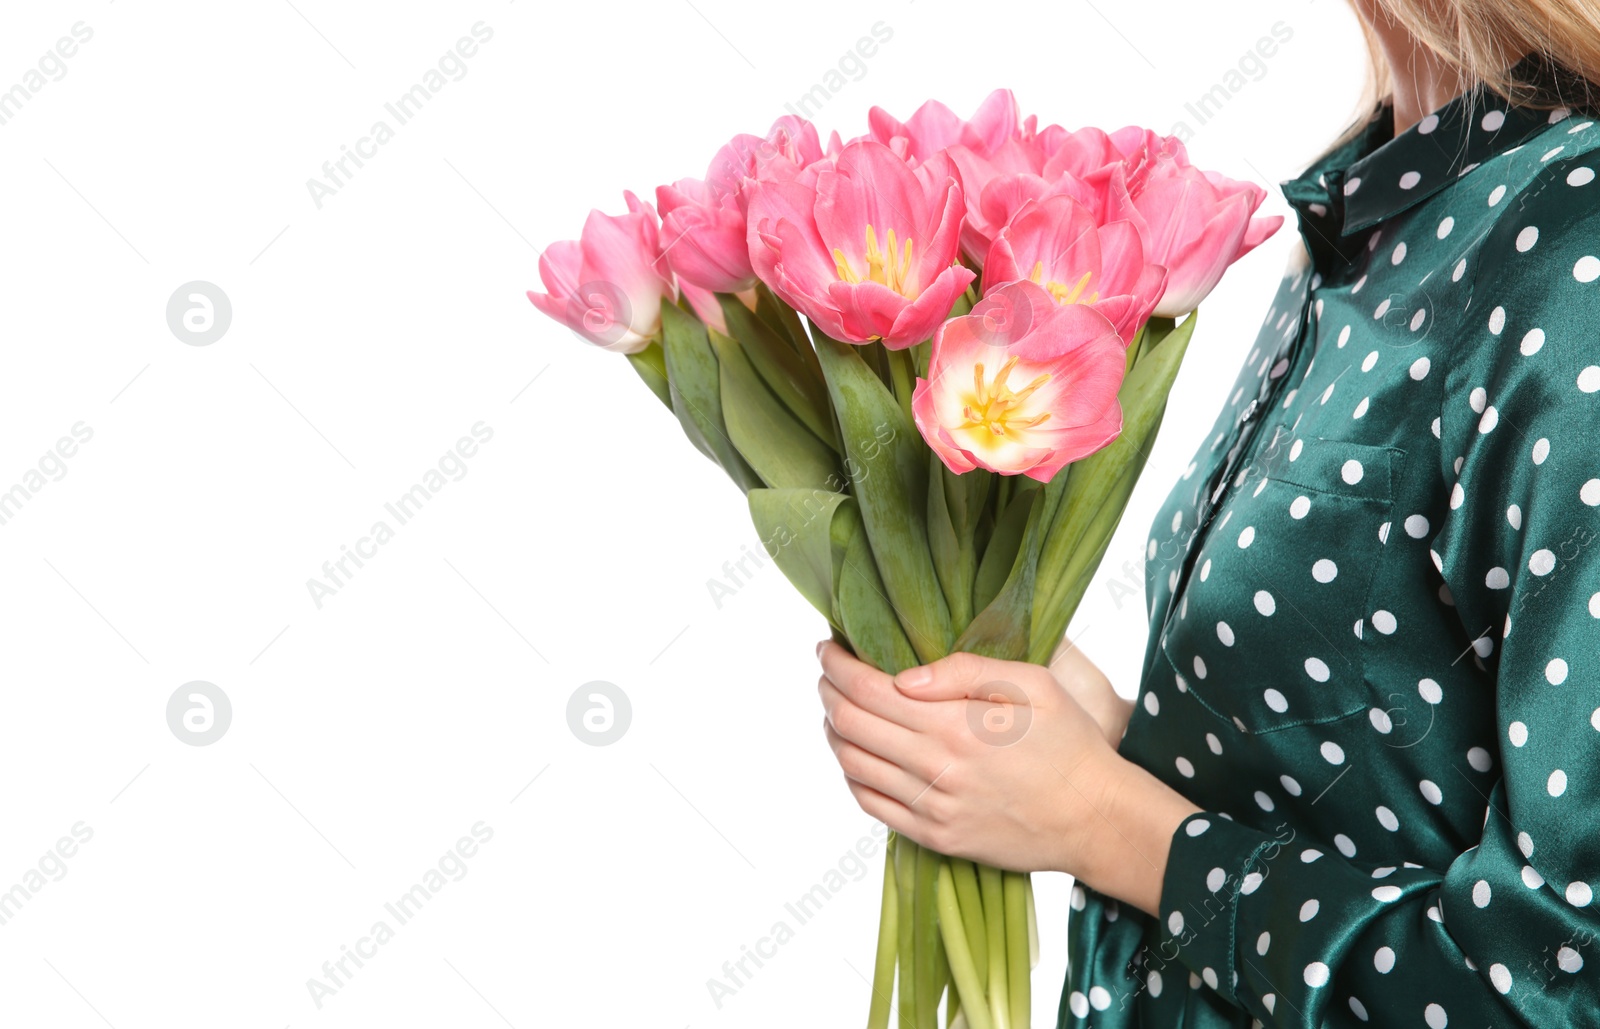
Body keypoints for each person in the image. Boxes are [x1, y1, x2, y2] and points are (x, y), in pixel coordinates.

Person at [815, 1, 1600, 1025]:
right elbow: (1379, 780)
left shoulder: (1573, 255)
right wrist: (1103, 744)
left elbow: (1552, 987)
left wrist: (1098, 819)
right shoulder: (1384, 204)